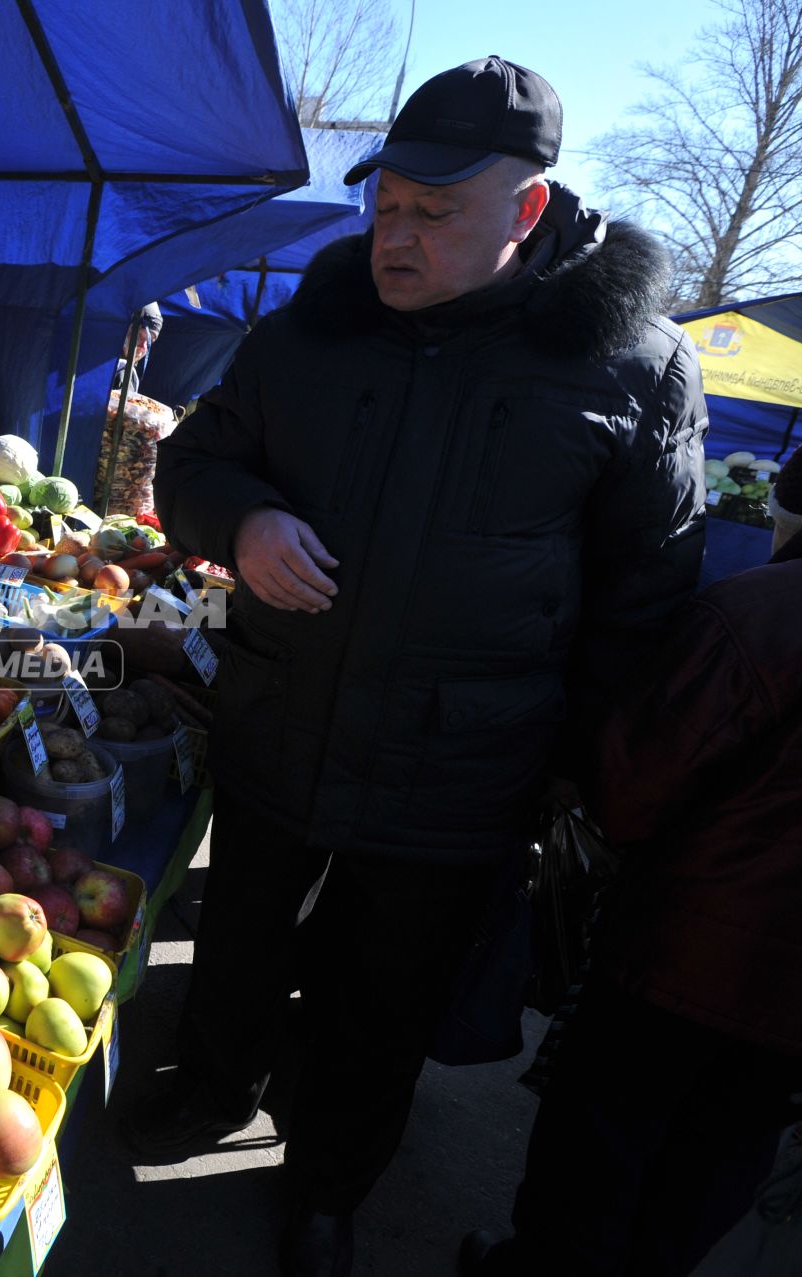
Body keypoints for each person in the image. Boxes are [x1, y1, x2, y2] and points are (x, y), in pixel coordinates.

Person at [137, 57, 707, 1276]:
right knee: (237, 938)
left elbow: (645, 596)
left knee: (377, 1003)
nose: (396, 234)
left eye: (434, 212)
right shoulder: (307, 333)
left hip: (460, 773)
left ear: (530, 210)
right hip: (283, 724)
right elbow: (191, 463)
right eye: (386, 204)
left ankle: (329, 1186)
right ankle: (211, 1088)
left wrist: (570, 770)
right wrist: (239, 520)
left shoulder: (635, 370)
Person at [461, 451, 802, 1277]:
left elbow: (632, 787)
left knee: (596, 1161)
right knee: (705, 1185)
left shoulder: (757, 612)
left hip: (678, 960)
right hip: (785, 1018)